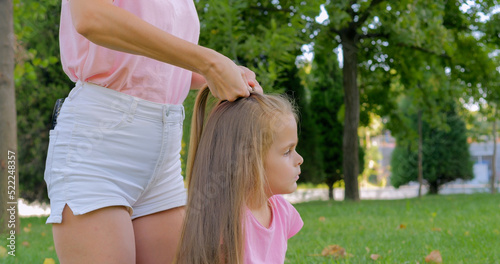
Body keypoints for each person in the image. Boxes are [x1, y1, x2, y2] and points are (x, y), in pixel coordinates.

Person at [44, 0, 262, 263]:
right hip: (99, 148)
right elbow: (92, 18)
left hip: (163, 158)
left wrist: (219, 74)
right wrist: (209, 62)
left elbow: (156, 64)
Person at [175, 86, 304, 264]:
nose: (300, 159)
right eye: (287, 151)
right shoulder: (225, 223)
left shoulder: (283, 212)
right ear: (249, 161)